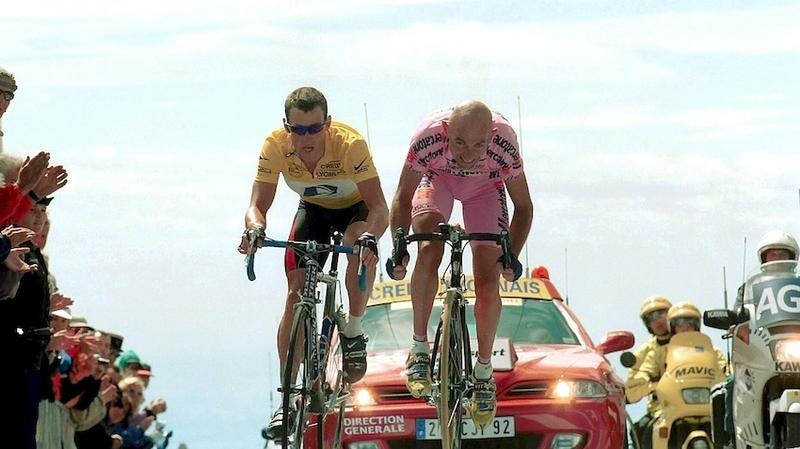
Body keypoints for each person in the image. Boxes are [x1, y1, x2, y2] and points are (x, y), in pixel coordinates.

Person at [238, 86, 389, 439]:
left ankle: (352, 329)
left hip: (356, 210)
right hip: (314, 211)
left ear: (328, 124)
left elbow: (380, 207)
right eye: (298, 129)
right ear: (287, 126)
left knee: (354, 243)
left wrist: (371, 238)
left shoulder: (350, 145)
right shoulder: (275, 145)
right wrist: (255, 229)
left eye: (314, 128)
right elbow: (256, 205)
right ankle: (288, 399)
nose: (306, 137)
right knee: (295, 293)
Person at [387, 101, 533, 426]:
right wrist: (399, 247)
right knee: (428, 248)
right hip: (438, 180)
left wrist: (512, 255)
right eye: (459, 143)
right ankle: (420, 350)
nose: (468, 155)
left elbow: (524, 206)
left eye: (479, 145)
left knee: (487, 277)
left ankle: (483, 374)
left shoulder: (505, 143)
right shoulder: (426, 137)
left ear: (491, 137)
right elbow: (401, 196)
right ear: (445, 132)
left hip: (485, 189)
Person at [625, 296, 672, 445]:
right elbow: (634, 380)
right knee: (640, 432)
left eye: (661, 314)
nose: (657, 320)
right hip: (660, 408)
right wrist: (647, 383)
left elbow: (717, 363)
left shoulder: (693, 342)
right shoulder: (645, 352)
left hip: (697, 403)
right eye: (650, 318)